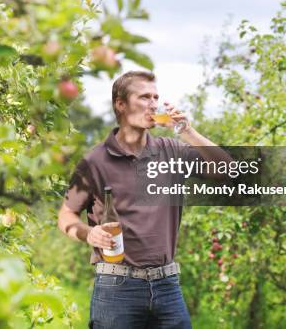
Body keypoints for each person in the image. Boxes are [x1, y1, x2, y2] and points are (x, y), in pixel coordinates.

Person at [57, 70, 231, 329]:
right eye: (144, 97)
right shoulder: (94, 162)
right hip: (116, 288)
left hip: (167, 284)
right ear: (120, 104)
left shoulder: (173, 151)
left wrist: (189, 132)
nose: (153, 103)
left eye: (156, 97)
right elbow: (66, 215)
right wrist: (88, 233)